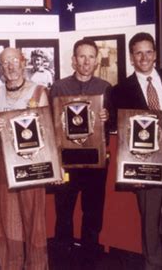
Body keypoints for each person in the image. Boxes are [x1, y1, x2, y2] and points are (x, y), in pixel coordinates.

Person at [112, 32, 162, 270]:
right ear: (132, 57)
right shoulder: (121, 89)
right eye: (138, 53)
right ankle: (152, 265)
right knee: (150, 218)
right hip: (143, 158)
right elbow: (120, 129)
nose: (144, 57)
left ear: (155, 54)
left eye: (148, 52)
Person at [0, 47, 50, 270]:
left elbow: (48, 132)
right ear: (1, 68)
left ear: (23, 63)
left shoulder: (39, 91)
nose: (10, 66)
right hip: (5, 164)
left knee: (35, 223)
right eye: (5, 63)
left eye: (14, 60)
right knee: (8, 222)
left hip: (33, 164)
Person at [50, 39, 111, 264]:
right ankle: (63, 259)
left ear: (96, 61)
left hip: (95, 161)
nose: (86, 61)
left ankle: (89, 257)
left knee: (93, 213)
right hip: (66, 161)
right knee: (64, 213)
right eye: (81, 57)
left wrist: (107, 117)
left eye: (90, 57)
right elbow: (49, 124)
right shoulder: (58, 88)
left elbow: (112, 124)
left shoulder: (105, 88)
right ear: (74, 60)